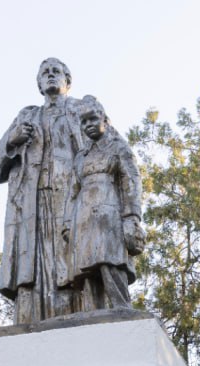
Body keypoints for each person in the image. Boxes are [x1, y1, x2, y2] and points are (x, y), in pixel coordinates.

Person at [0, 57, 88, 323]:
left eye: (56, 71)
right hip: (31, 206)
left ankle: (76, 323)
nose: (51, 75)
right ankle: (31, 326)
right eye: (45, 72)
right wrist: (12, 141)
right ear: (39, 84)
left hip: (71, 201)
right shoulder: (27, 116)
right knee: (31, 271)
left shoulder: (81, 109)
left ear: (68, 81)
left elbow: (109, 146)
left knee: (70, 266)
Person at [63, 96, 144, 310]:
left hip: (110, 215)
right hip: (83, 218)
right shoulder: (81, 156)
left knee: (111, 263)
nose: (88, 125)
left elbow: (131, 181)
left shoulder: (118, 148)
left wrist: (131, 217)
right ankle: (93, 313)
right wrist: (67, 223)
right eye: (84, 122)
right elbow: (73, 191)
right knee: (88, 270)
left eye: (92, 119)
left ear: (105, 120)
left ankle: (122, 309)